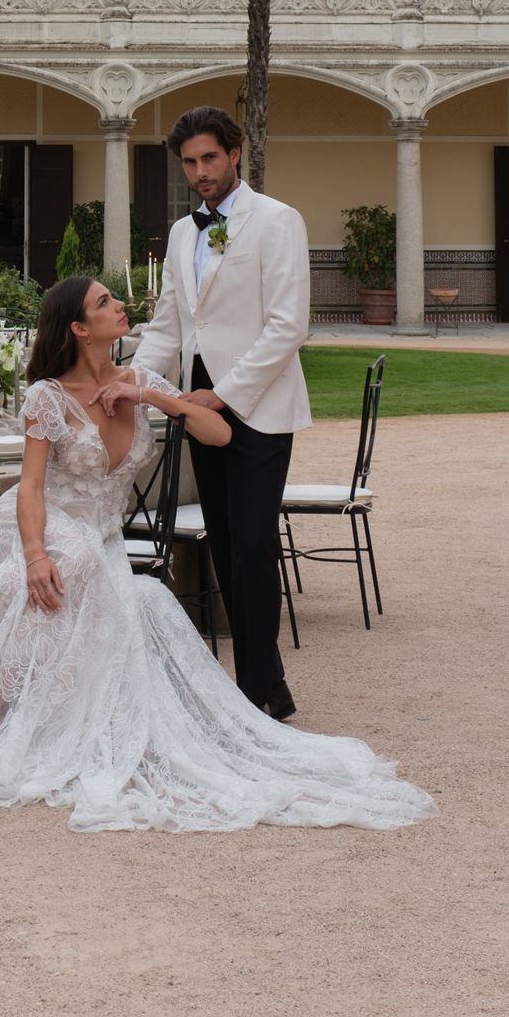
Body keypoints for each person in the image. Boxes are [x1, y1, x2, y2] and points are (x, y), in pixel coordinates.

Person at [0, 274, 432, 833]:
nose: (120, 305)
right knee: (68, 562)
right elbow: (29, 488)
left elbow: (219, 434)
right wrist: (34, 554)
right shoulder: (47, 396)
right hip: (37, 524)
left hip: (103, 539)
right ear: (78, 328)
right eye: (104, 302)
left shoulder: (139, 378)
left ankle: (53, 719)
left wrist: (150, 395)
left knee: (119, 587)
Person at [132, 104, 309, 719]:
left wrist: (224, 393)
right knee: (227, 543)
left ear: (236, 154)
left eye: (210, 158)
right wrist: (133, 382)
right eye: (189, 162)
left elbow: (289, 325)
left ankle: (254, 696)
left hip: (257, 404)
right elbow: (169, 325)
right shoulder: (184, 233)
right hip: (195, 404)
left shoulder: (279, 221)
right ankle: (274, 686)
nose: (201, 171)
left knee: (255, 544)